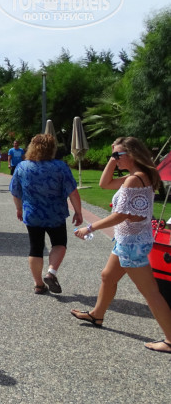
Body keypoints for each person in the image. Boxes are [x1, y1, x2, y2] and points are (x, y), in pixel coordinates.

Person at [71, 137, 171, 354]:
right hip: (129, 241)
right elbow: (104, 184)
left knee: (151, 293)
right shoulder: (140, 175)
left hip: (132, 244)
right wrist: (113, 158)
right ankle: (97, 315)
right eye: (113, 155)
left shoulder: (134, 179)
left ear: (132, 154)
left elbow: (121, 215)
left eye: (118, 155)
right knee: (108, 276)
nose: (114, 159)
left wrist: (89, 228)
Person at [9, 134, 83, 294]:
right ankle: (51, 272)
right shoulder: (60, 166)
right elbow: (73, 192)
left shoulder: (22, 167)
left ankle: (38, 284)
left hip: (32, 214)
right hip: (55, 213)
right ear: (52, 149)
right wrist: (78, 212)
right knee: (59, 243)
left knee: (35, 247)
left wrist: (19, 209)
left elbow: (15, 192)